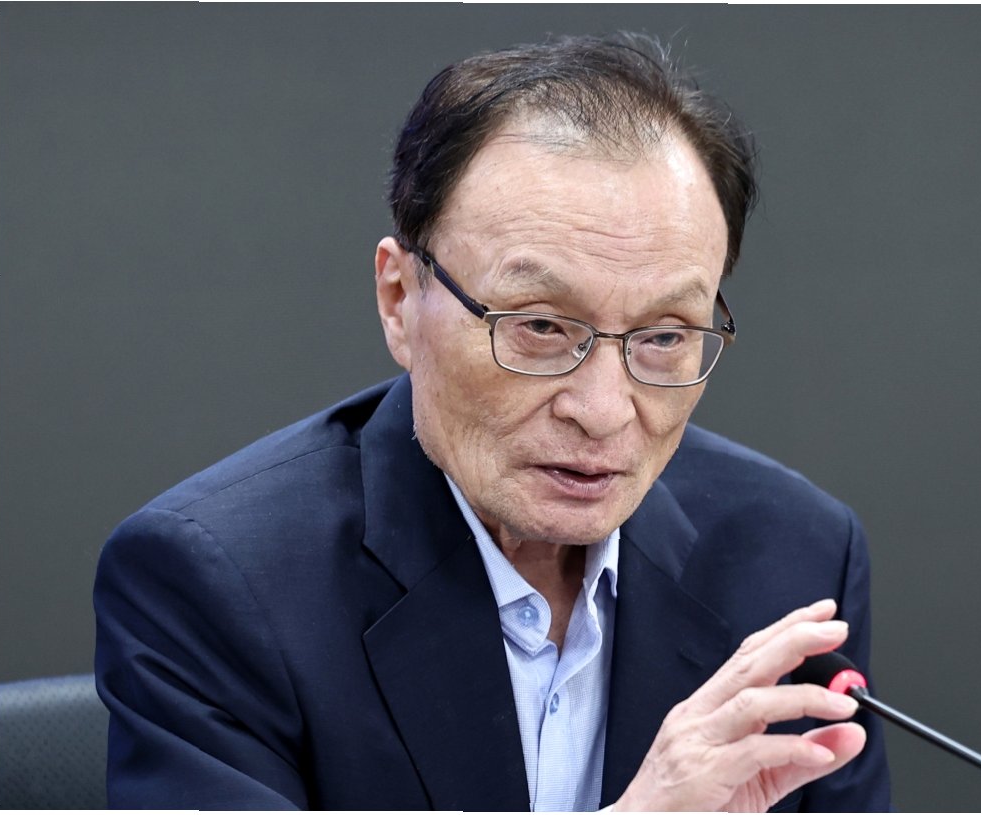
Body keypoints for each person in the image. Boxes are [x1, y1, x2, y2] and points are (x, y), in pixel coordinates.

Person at [94, 32, 892, 811]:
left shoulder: (795, 560)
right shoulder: (219, 584)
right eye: (540, 326)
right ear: (401, 300)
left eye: (663, 336)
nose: (603, 411)